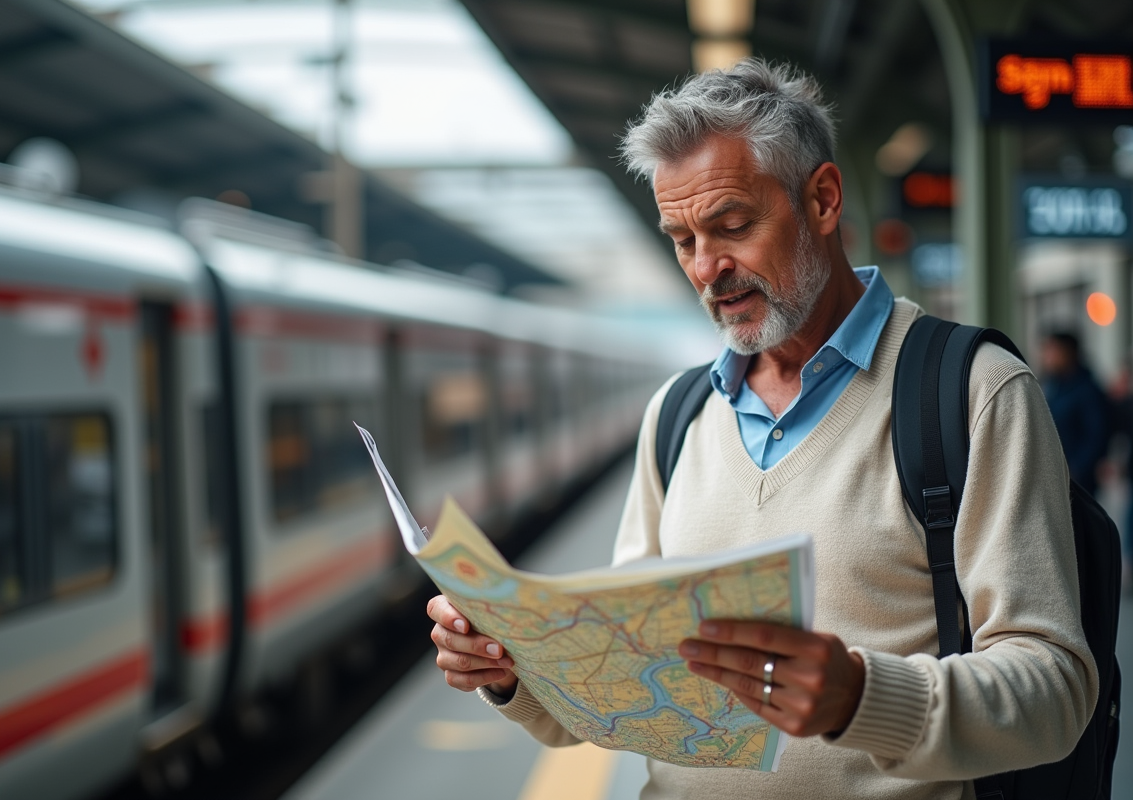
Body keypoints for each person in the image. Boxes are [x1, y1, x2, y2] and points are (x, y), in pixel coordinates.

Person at [426, 60, 1098, 799]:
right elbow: (622, 688)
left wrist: (860, 698)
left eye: (733, 226)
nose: (706, 268)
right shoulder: (677, 416)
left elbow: (1055, 690)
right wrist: (510, 670)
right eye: (682, 239)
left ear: (823, 199)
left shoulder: (971, 392)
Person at [1039, 330, 1111, 496]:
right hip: (1054, 475)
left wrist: (1077, 469)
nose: (1048, 357)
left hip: (1078, 481)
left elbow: (1096, 435)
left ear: (1069, 352)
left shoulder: (1087, 389)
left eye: (1053, 350)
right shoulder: (1051, 386)